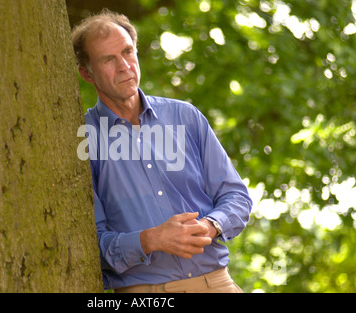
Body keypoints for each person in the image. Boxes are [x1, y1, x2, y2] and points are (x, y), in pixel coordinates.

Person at [72, 9, 252, 293]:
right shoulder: (82, 138)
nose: (124, 66)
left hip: (218, 283)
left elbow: (236, 197)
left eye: (128, 52)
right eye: (108, 59)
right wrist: (150, 240)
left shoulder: (186, 116)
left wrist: (210, 225)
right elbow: (87, 243)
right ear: (86, 73)